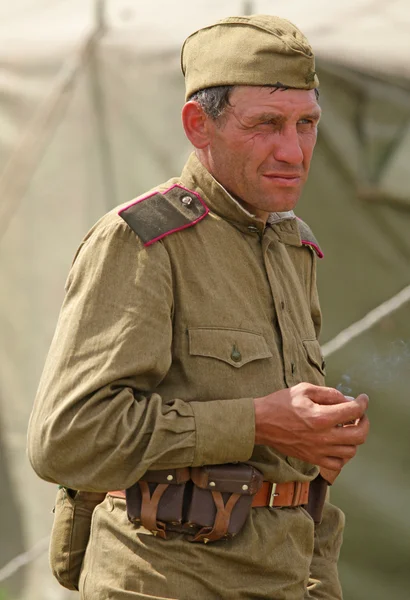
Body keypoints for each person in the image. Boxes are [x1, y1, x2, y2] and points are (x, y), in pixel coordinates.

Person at [27, 14, 370, 600]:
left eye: (306, 124)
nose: (293, 150)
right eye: (266, 124)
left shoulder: (294, 246)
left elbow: (298, 482)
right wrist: (258, 420)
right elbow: (67, 438)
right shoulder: (143, 241)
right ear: (198, 125)